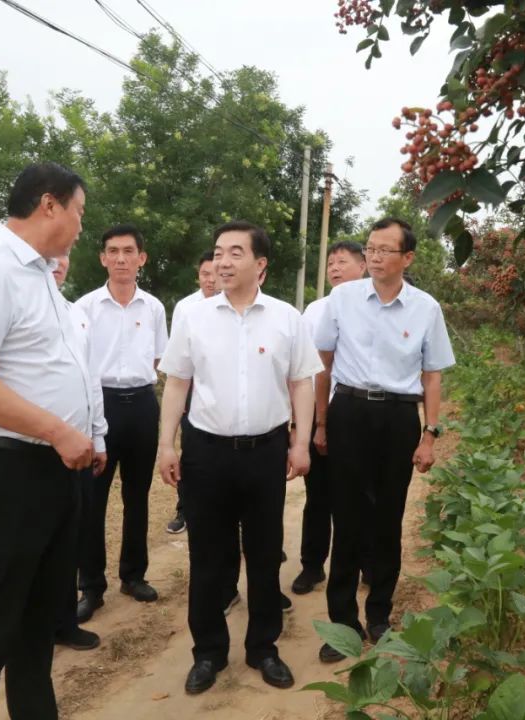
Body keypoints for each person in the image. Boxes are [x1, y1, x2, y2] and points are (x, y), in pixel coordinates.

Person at [0, 162, 95, 720]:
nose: (81, 225)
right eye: (79, 211)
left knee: (37, 623)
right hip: (6, 474)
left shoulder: (40, 276)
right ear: (49, 204)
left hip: (54, 472)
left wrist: (79, 434)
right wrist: (58, 429)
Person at [157, 220, 321, 695]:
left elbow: (302, 383)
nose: (222, 262)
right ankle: (208, 652)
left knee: (265, 553)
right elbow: (177, 383)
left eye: (235, 253)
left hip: (266, 451)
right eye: (218, 252)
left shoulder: (287, 318)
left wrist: (300, 442)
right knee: (209, 557)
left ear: (260, 263)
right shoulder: (194, 317)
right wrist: (167, 444)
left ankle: (263, 648)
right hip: (206, 453)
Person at [313, 218, 455, 663]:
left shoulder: (426, 308)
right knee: (346, 518)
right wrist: (320, 424)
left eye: (384, 250)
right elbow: (323, 365)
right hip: (349, 411)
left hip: (398, 417)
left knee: (388, 518)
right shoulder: (342, 299)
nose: (374, 257)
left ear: (407, 258)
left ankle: (378, 616)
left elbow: (432, 376)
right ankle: (342, 624)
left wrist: (429, 434)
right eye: (370, 248)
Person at [75, 224, 169, 622]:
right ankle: (91, 587)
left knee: (137, 496)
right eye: (112, 251)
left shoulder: (154, 308)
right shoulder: (85, 307)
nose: (120, 259)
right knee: (92, 501)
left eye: (129, 251)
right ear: (102, 258)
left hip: (142, 405)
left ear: (141, 258)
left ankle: (133, 575)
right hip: (100, 406)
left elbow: (158, 358)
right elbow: (78, 364)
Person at [292, 241, 368, 596]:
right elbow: (303, 367)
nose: (334, 268)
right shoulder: (315, 310)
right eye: (331, 263)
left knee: (360, 495)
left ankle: (363, 563)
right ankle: (312, 565)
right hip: (318, 409)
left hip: (357, 412)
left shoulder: (373, 307)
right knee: (318, 495)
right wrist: (303, 422)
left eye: (343, 262)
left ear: (363, 266)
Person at [52, 254, 107, 651]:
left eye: (65, 253)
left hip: (79, 445)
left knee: (71, 533)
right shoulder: (20, 308)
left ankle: (64, 621)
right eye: (49, 254)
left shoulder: (76, 314)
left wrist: (98, 437)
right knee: (38, 541)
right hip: (34, 447)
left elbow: (91, 381)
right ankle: (36, 626)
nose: (58, 262)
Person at [165, 249, 217, 536]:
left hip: (222, 394)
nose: (210, 280)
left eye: (215, 274)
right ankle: (184, 509)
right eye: (204, 274)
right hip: (191, 391)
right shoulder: (186, 308)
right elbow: (177, 361)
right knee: (190, 452)